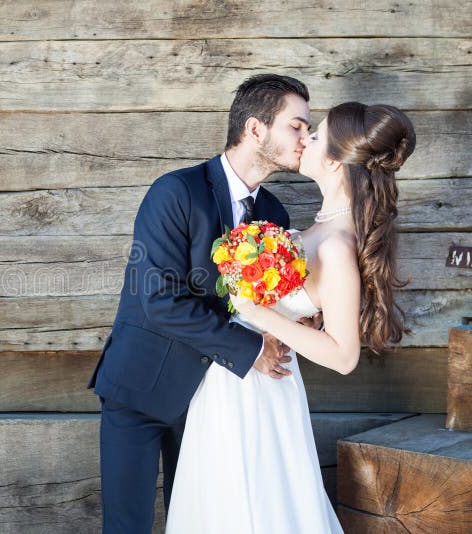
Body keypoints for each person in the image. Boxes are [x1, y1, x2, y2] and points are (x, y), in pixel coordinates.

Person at [165, 101, 416, 533]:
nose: (305, 141)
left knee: (252, 505)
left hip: (262, 387)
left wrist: (256, 311)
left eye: (315, 137)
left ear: (336, 163)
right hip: (230, 382)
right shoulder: (317, 229)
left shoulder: (336, 246)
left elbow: (343, 356)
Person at [87, 74, 314, 533]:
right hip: (142, 388)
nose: (305, 139)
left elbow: (262, 304)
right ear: (255, 129)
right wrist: (252, 350)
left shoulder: (276, 215)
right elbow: (160, 301)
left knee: (196, 522)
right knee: (126, 526)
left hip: (215, 402)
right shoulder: (176, 191)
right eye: (296, 126)